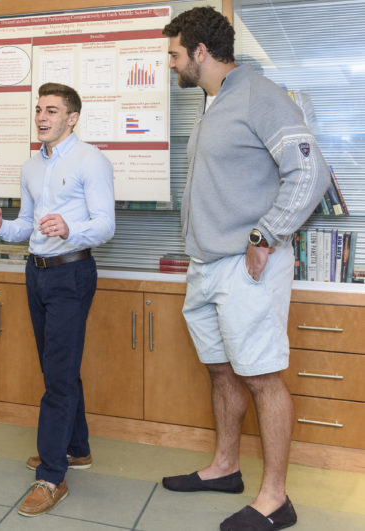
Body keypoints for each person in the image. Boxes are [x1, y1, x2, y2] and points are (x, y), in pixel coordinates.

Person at [160, 8, 330, 531]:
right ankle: (225, 468)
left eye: (174, 54)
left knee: (262, 378)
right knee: (222, 368)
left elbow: (311, 172)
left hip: (247, 267)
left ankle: (276, 499)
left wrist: (266, 234)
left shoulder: (260, 96)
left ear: (200, 53)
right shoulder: (215, 103)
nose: (170, 64)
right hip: (207, 265)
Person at [0, 82, 115, 517]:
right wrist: (2, 229)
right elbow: (27, 226)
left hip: (72, 273)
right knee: (59, 367)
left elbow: (105, 225)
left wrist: (70, 231)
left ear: (72, 118)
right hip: (36, 274)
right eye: (39, 109)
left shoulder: (91, 160)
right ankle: (76, 448)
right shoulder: (30, 166)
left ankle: (52, 476)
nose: (42, 116)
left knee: (57, 375)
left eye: (52, 110)